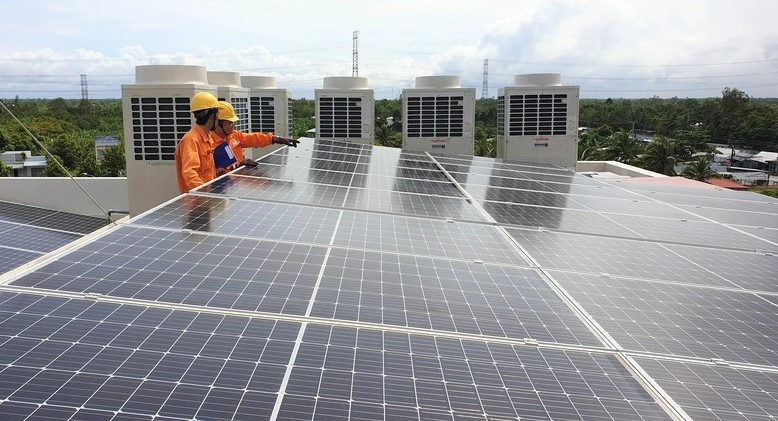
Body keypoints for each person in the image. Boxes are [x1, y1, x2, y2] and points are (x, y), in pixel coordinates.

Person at [211, 101, 299, 174]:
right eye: (230, 123)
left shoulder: (234, 136)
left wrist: (276, 139)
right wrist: (238, 165)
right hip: (226, 189)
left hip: (240, 183)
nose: (233, 125)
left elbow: (254, 138)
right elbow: (215, 174)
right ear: (218, 123)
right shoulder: (210, 145)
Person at [174, 92, 220, 193]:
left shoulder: (207, 137)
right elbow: (189, 173)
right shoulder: (191, 140)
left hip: (206, 199)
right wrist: (205, 192)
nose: (218, 118)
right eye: (217, 114)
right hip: (197, 201)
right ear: (211, 115)